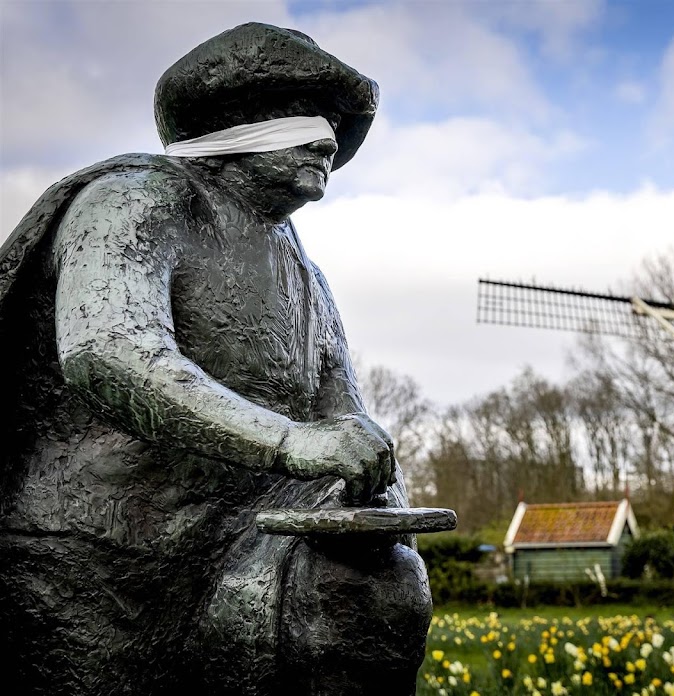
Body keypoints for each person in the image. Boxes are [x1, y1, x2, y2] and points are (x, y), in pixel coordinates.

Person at [0, 23, 430, 695]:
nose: (327, 141)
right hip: (93, 561)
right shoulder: (136, 196)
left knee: (380, 593)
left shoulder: (302, 270)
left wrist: (377, 484)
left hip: (235, 550)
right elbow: (109, 350)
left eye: (330, 126)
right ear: (234, 134)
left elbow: (341, 407)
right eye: (304, 122)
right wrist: (291, 442)